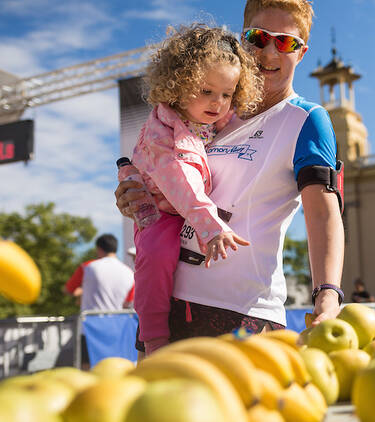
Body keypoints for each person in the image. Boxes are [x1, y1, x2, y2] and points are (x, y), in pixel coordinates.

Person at [115, 0, 344, 343]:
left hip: (242, 313)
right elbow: (171, 175)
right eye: (258, 37)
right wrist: (134, 194)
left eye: (285, 42)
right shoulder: (208, 110)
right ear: (242, 39)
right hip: (166, 304)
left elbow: (323, 211)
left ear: (302, 52)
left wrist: (327, 291)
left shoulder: (306, 119)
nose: (268, 52)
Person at [125, 24, 262, 355]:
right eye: (206, 91)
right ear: (178, 85)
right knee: (155, 257)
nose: (218, 102)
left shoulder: (207, 120)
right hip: (159, 212)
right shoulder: (163, 134)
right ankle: (154, 337)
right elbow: (180, 181)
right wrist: (211, 226)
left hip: (185, 213)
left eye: (227, 94)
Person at [64, 234, 134, 366]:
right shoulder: (129, 272)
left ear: (99, 249)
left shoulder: (88, 267)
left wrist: (82, 293)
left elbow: (68, 290)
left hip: (90, 328)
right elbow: (127, 303)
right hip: (117, 328)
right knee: (115, 368)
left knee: (87, 369)